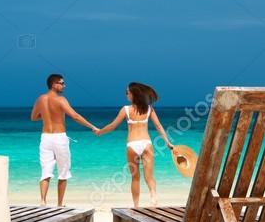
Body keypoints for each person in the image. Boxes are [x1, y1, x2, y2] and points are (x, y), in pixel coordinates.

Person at [95, 82, 173, 206]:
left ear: (133, 94)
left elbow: (113, 126)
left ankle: (136, 205)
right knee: (149, 177)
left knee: (135, 178)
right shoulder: (149, 109)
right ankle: (153, 196)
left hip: (132, 145)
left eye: (127, 92)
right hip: (146, 143)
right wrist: (167, 142)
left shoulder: (126, 109)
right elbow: (158, 126)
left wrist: (100, 132)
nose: (126, 94)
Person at [30, 73, 99, 206]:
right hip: (59, 138)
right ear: (53, 84)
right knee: (63, 172)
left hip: (45, 138)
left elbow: (33, 117)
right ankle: (60, 205)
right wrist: (92, 126)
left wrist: (46, 116)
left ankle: (43, 201)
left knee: (45, 171)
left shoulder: (40, 99)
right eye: (61, 83)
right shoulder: (61, 100)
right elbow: (75, 116)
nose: (64, 86)